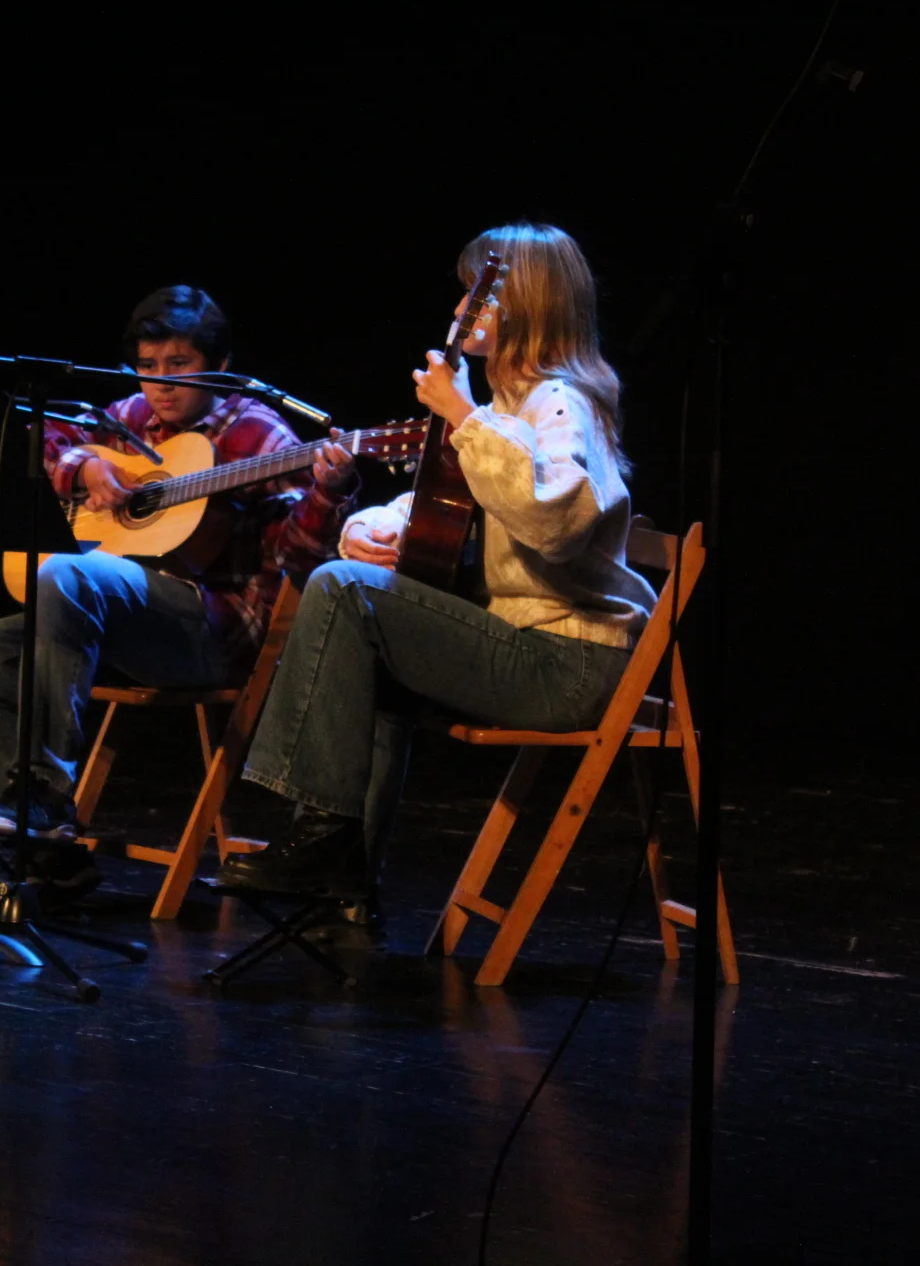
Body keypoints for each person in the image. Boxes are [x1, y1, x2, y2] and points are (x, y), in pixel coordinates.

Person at [217, 223, 657, 898]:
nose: (458, 310)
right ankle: (342, 896)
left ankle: (324, 838)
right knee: (365, 656)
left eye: (476, 295)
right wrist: (370, 527)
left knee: (342, 593)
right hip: (524, 643)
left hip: (567, 661)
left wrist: (464, 416)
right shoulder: (510, 405)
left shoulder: (563, 401)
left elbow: (556, 524)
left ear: (524, 302)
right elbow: (449, 496)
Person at [0, 285, 360, 903]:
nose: (161, 384)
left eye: (179, 365)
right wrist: (84, 467)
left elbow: (301, 562)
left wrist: (329, 493)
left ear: (220, 365)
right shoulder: (130, 417)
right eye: (148, 366)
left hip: (210, 635)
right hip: (106, 623)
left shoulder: (262, 437)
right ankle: (53, 858)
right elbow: (42, 440)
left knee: (67, 575)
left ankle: (45, 792)